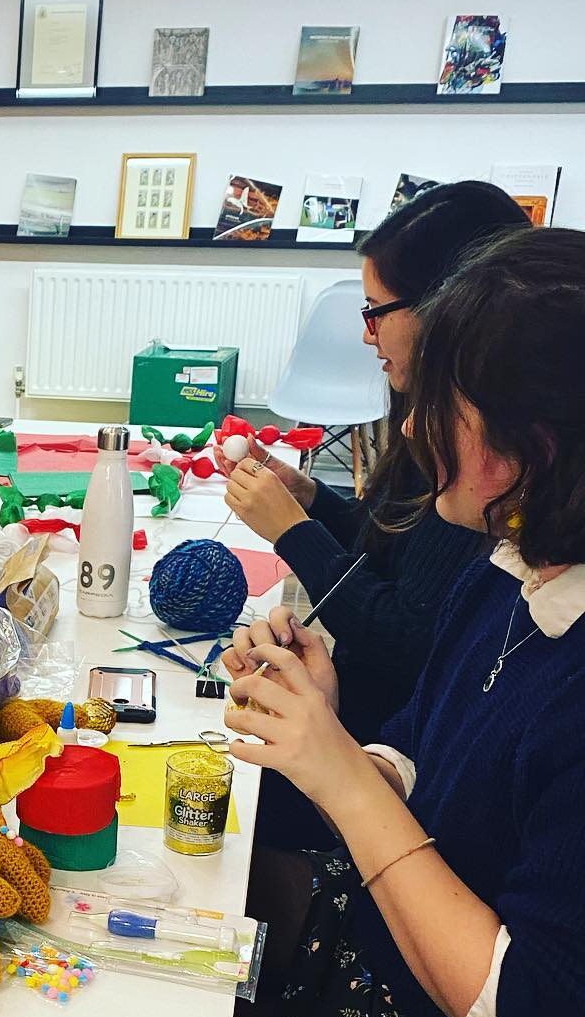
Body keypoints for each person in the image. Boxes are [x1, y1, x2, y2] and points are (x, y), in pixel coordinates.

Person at [220, 226, 585, 1017]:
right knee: (175, 924)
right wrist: (335, 724)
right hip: (388, 981)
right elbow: (428, 758)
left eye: (444, 406)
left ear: (534, 443)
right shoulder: (507, 566)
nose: (416, 429)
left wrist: (334, 775)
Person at [218, 182, 531, 844]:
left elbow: (408, 634)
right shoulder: (444, 427)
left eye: (375, 311)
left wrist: (293, 532)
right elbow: (393, 551)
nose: (365, 334)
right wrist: (308, 502)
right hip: (385, 740)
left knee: (252, 795)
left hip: (390, 744)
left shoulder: (478, 455)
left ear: (452, 313)